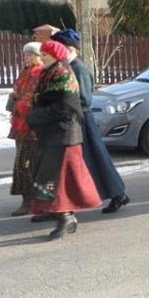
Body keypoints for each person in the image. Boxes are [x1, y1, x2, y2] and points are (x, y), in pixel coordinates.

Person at [26, 41, 101, 240]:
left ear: (56, 56)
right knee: (46, 174)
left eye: (45, 55)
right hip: (51, 134)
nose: (42, 58)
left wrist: (34, 116)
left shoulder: (64, 75)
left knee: (58, 179)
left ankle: (66, 218)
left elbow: (64, 108)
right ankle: (53, 210)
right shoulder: (48, 73)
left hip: (64, 135)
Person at [50, 29, 130, 214]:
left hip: (82, 121)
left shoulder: (79, 69)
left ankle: (118, 194)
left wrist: (62, 105)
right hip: (75, 120)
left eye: (59, 47)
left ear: (70, 49)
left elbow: (85, 99)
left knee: (96, 160)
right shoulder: (67, 67)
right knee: (90, 162)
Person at [6, 42, 43, 216]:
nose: (26, 57)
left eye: (29, 54)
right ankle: (30, 201)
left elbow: (31, 99)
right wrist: (12, 98)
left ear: (38, 56)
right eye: (25, 54)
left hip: (30, 127)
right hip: (20, 125)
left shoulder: (38, 73)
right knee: (25, 165)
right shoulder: (25, 71)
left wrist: (17, 105)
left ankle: (30, 202)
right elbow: (17, 91)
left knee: (24, 165)